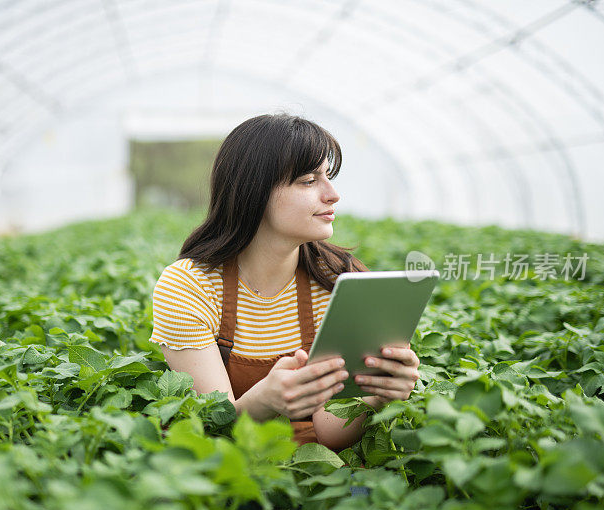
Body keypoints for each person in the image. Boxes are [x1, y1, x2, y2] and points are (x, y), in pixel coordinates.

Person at [149, 113, 420, 451]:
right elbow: (210, 428)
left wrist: (378, 393)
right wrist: (263, 401)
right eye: (309, 180)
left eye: (329, 177)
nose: (332, 194)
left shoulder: (342, 281)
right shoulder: (190, 285)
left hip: (320, 472)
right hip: (231, 472)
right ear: (254, 191)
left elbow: (330, 433)